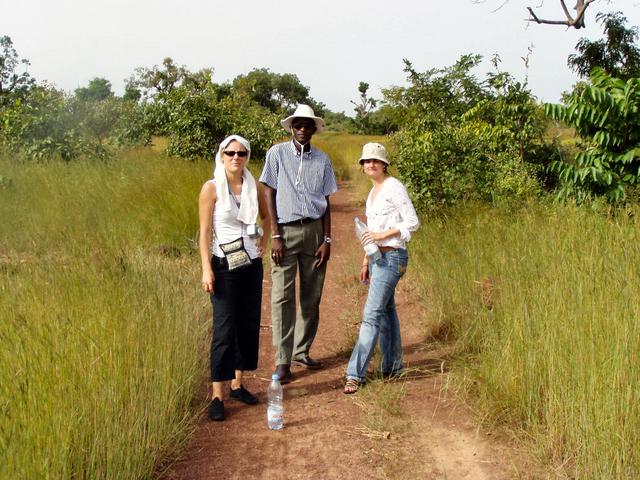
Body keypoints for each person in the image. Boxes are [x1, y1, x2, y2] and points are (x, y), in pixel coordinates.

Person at [259, 104, 338, 384]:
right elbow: (269, 192)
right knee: (282, 296)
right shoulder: (277, 154)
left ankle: (302, 351)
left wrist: (327, 239)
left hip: (314, 232)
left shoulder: (323, 160)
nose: (302, 129)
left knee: (311, 295)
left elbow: (327, 201)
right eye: (298, 125)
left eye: (307, 125)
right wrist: (276, 234)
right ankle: (283, 360)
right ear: (291, 128)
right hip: (286, 233)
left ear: (315, 128)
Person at [198, 134, 269, 421]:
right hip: (224, 265)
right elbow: (203, 233)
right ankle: (217, 393)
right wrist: (206, 268)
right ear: (222, 155)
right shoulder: (211, 188)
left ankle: (238, 383)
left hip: (251, 263)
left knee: (247, 324)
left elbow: (263, 217)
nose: (236, 158)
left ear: (247, 157)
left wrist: (261, 237)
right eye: (230, 153)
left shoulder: (254, 187)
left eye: (241, 153)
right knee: (224, 328)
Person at [344, 143, 419, 394]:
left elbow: (412, 222)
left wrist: (381, 235)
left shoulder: (394, 187)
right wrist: (366, 260)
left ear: (384, 164)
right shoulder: (373, 192)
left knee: (371, 315)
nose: (370, 165)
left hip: (393, 257)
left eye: (375, 161)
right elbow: (368, 233)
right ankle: (393, 366)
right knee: (386, 312)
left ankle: (355, 374)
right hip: (377, 259)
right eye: (366, 161)